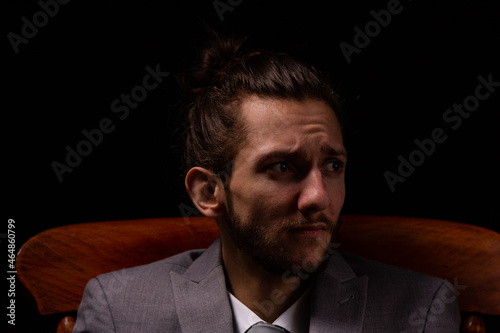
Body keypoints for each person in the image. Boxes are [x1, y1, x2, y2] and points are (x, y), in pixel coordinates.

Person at [73, 32, 461, 332]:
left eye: (332, 166)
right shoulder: (120, 310)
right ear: (209, 192)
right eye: (281, 167)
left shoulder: (420, 311)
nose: (318, 197)